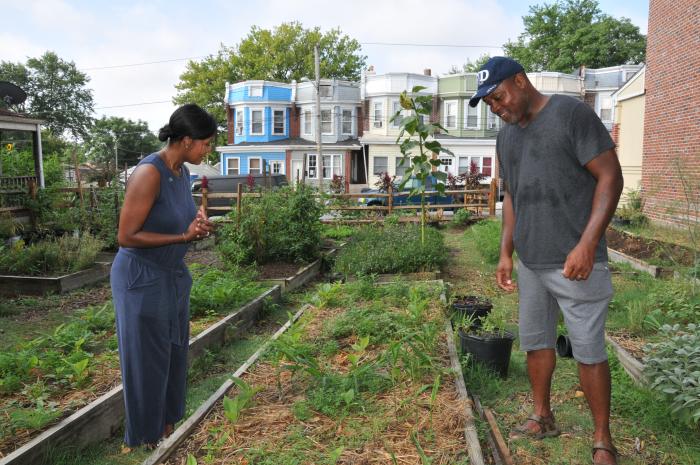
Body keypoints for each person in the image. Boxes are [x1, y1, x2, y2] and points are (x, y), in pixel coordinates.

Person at [469, 57, 623, 465]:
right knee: (536, 341)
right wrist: (506, 252)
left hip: (577, 261)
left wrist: (587, 243)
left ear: (520, 81)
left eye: (498, 96)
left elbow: (610, 176)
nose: (496, 107)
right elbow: (512, 197)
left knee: (589, 350)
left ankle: (602, 440)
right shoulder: (506, 138)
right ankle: (542, 415)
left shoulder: (571, 114)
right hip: (531, 262)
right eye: (488, 103)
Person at [110, 103, 217, 449]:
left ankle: (165, 426)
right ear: (186, 140)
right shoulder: (149, 172)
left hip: (170, 277)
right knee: (146, 359)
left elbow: (176, 216)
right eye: (206, 143)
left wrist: (196, 222)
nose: (208, 149)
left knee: (172, 353)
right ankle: (143, 436)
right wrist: (184, 237)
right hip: (141, 278)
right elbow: (126, 236)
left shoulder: (181, 172)